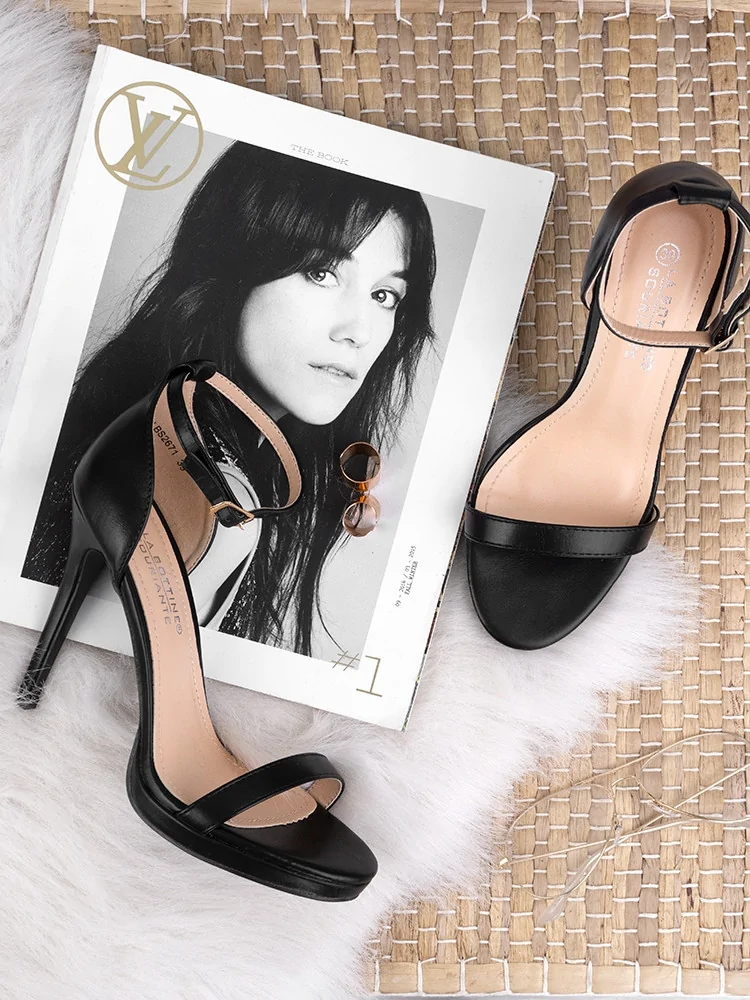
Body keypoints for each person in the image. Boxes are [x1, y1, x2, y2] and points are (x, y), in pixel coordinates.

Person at [23, 139, 437, 657]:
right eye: (322, 272)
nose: (359, 331)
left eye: (384, 296)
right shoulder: (190, 495)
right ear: (237, 263)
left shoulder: (236, 470)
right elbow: (97, 669)